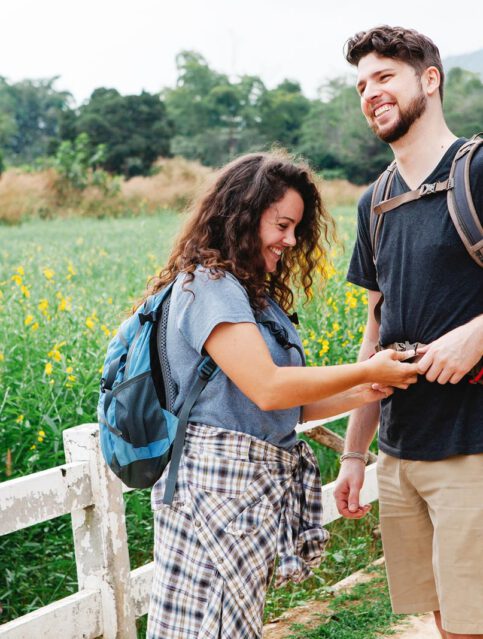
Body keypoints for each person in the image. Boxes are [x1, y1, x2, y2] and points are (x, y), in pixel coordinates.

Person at [143, 150, 418, 639]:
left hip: (243, 493)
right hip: (216, 490)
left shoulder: (252, 295)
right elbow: (269, 388)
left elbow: (294, 405)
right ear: (242, 216)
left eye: (296, 229)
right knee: (212, 627)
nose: (290, 241)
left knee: (233, 624)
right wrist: (363, 368)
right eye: (282, 225)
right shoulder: (211, 286)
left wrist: (368, 387)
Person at [333, 26, 483, 639]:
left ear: (430, 79)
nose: (370, 92)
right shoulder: (375, 201)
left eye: (385, 76)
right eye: (362, 83)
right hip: (400, 453)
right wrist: (353, 453)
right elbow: (376, 332)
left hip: (472, 444)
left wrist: (478, 332)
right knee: (446, 618)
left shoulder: (478, 170)